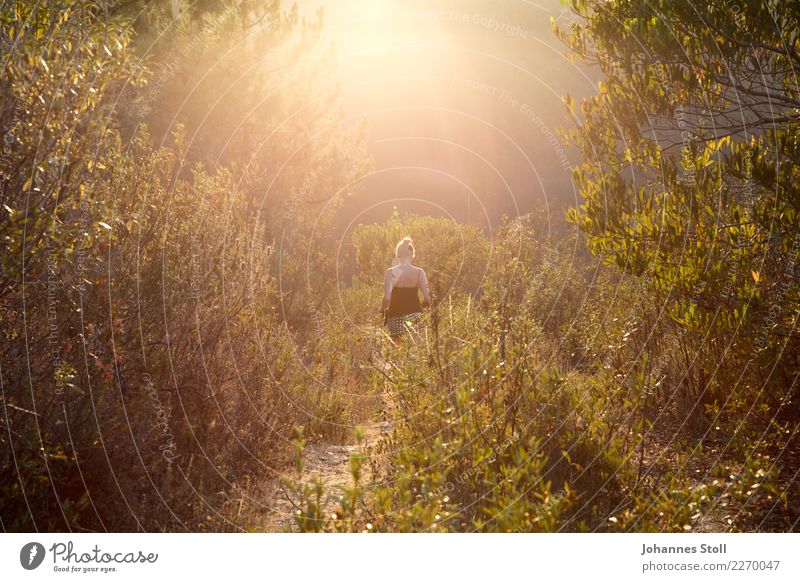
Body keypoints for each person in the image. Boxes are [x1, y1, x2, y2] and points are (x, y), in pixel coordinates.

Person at [382, 237, 431, 340]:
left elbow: (387, 298)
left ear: (397, 254)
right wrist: (424, 304)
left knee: (397, 351)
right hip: (415, 317)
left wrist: (382, 310)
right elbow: (428, 298)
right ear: (412, 255)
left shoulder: (390, 272)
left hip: (396, 317)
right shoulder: (419, 272)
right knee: (415, 350)